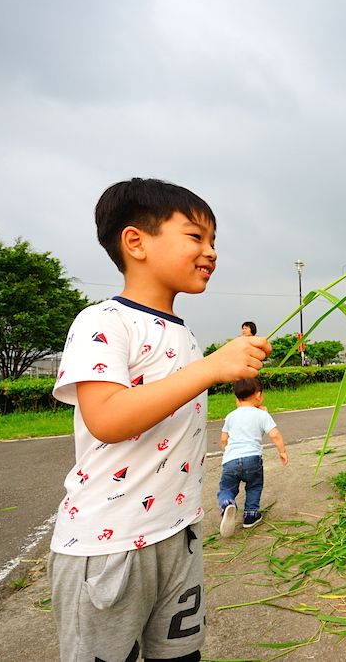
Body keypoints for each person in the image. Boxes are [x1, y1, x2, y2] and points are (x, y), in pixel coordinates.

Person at [49, 178, 271, 662]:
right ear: (136, 242)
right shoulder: (103, 321)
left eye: (214, 242)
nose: (211, 252)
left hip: (179, 534)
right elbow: (107, 418)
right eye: (196, 237)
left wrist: (211, 365)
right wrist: (212, 368)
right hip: (110, 546)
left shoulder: (183, 334)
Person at [217, 376, 289, 535]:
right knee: (254, 486)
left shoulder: (230, 416)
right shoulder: (262, 415)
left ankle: (227, 503)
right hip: (253, 459)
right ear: (258, 396)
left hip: (230, 460)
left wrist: (228, 451)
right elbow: (275, 435)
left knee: (227, 488)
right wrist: (282, 452)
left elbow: (223, 439)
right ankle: (250, 515)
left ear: (237, 398)